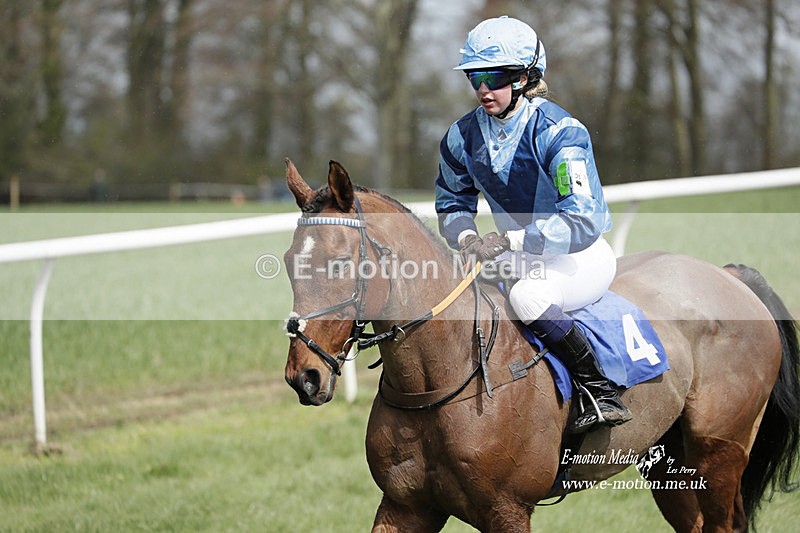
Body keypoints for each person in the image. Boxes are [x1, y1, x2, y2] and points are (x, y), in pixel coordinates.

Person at [435, 16, 631, 433]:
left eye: (495, 76)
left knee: (526, 298)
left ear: (525, 77)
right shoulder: (459, 137)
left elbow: (582, 219)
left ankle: (600, 388)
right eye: (475, 78)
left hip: (580, 257)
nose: (484, 89)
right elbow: (451, 203)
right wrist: (469, 238)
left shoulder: (560, 132)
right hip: (515, 255)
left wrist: (510, 239)